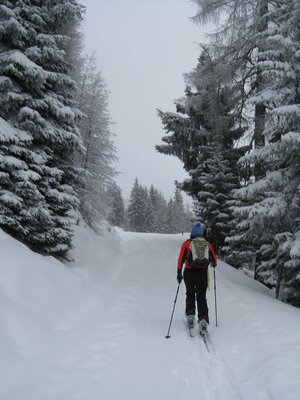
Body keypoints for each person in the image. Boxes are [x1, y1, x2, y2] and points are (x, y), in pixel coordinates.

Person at [177, 222, 217, 333]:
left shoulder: (186, 244)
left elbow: (180, 260)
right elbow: (215, 261)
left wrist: (179, 273)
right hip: (202, 274)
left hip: (189, 273)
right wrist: (212, 264)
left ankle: (190, 316)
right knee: (201, 297)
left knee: (190, 293)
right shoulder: (207, 244)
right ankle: (203, 320)